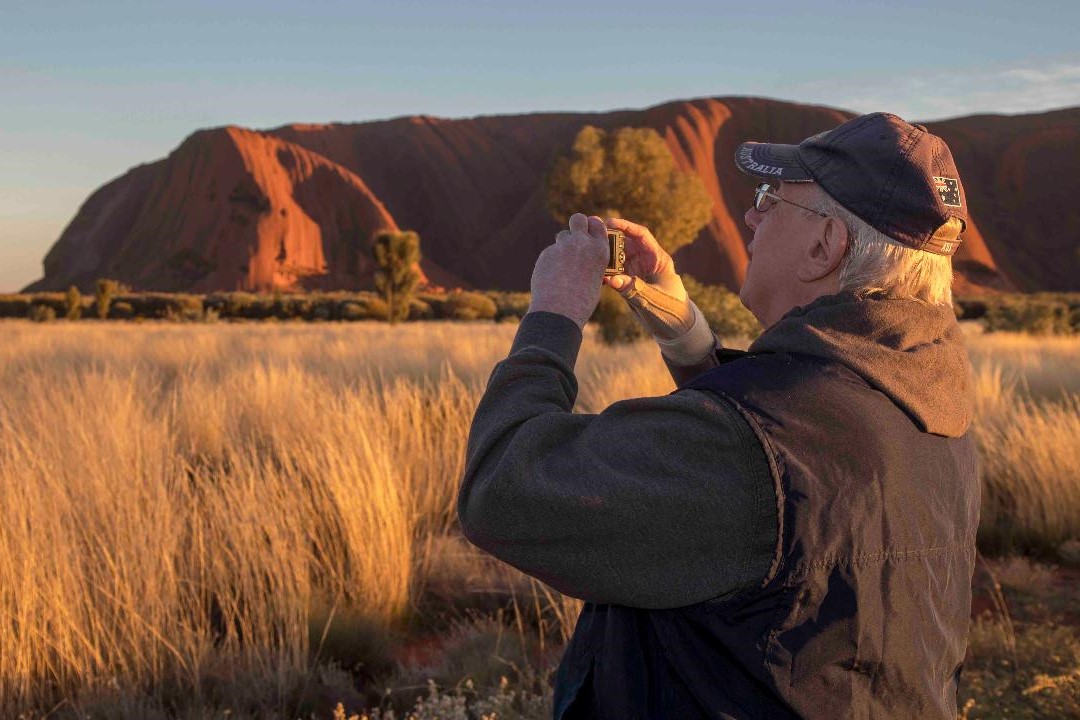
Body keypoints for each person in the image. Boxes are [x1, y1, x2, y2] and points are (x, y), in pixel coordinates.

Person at [458, 112, 979, 719]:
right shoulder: (924, 395)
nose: (751, 217)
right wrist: (682, 328)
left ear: (824, 246)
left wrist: (553, 317)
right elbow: (789, 489)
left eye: (772, 199)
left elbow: (501, 491)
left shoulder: (757, 444)